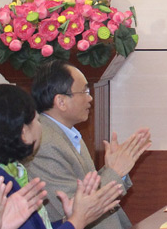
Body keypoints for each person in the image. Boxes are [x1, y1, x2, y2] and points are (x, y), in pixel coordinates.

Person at [26, 60, 151, 229]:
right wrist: (115, 172)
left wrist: (114, 171)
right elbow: (78, 207)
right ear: (61, 101)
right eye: (84, 91)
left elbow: (86, 188)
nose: (90, 97)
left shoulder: (66, 132)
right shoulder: (44, 144)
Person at [0, 84, 122, 229]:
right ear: (24, 132)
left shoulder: (8, 169)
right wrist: (77, 222)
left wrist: (68, 220)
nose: (41, 127)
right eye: (37, 120)